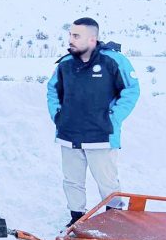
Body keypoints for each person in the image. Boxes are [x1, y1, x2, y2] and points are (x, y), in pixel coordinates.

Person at [46, 17, 140, 227]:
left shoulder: (113, 61)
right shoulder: (65, 64)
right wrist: (58, 116)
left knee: (107, 182)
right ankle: (76, 220)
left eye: (76, 35)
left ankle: (114, 222)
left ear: (92, 39)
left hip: (101, 136)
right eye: (70, 34)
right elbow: (52, 90)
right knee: (72, 181)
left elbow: (131, 90)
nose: (70, 39)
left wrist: (112, 118)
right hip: (69, 135)